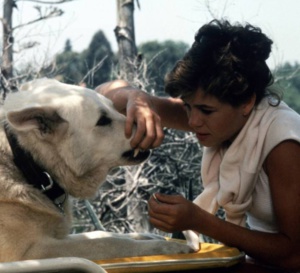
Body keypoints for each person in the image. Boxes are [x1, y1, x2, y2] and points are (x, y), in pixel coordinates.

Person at [96, 20, 300, 271]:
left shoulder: (284, 144)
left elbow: (294, 256)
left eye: (205, 110)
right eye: (188, 107)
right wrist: (136, 98)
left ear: (247, 102)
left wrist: (199, 221)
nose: (192, 121)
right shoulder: (221, 117)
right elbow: (103, 94)